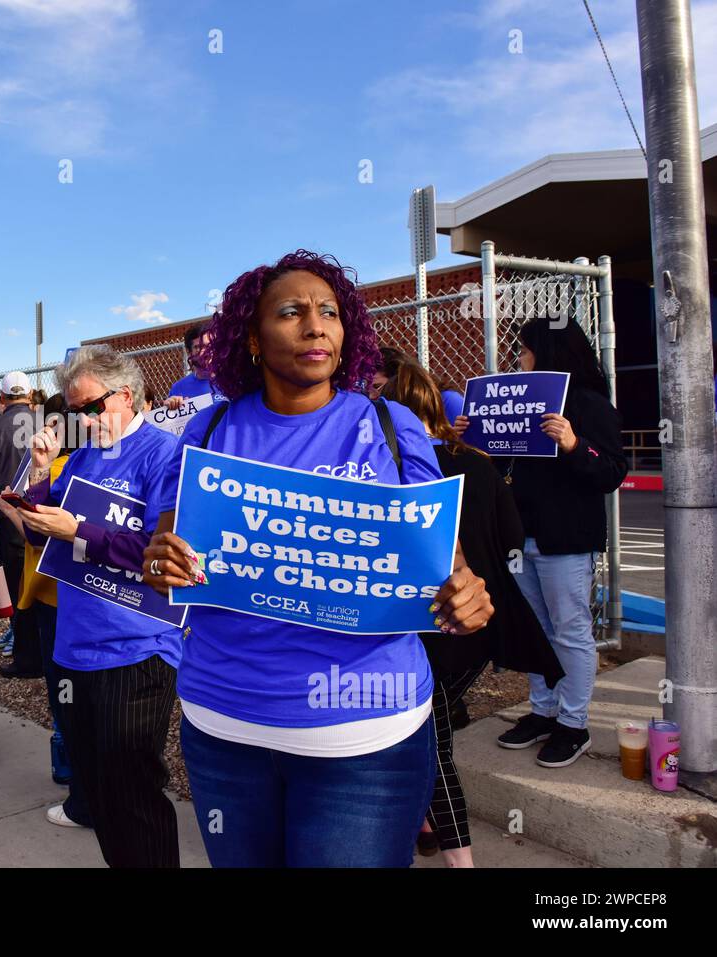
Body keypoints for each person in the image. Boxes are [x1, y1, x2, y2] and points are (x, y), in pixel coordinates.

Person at [141, 249, 493, 868]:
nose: (315, 326)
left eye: (329, 312)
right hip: (226, 729)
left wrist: (465, 595)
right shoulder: (206, 432)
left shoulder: (393, 424)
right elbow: (165, 559)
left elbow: (445, 564)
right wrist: (161, 563)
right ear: (252, 337)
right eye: (291, 312)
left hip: (366, 738)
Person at [381, 358, 563, 866]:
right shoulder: (478, 463)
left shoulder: (391, 472)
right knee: (430, 732)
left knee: (434, 745)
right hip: (483, 630)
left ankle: (457, 857)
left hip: (427, 631)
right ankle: (420, 822)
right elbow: (510, 537)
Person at [14, 346, 181, 866]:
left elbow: (168, 557)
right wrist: (38, 474)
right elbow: (43, 535)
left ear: (125, 396)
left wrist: (81, 530)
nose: (83, 421)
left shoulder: (164, 455)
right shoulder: (84, 458)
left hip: (137, 646)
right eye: (73, 412)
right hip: (76, 644)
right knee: (99, 789)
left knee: (132, 788)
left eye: (89, 408)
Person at [455, 319, 628, 768]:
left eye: (525, 350)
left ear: (549, 353)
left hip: (565, 540)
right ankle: (543, 711)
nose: (518, 358)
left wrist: (574, 443)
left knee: (570, 630)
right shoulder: (520, 405)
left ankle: (574, 723)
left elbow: (611, 471)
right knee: (537, 629)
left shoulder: (590, 405)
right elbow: (498, 471)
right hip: (519, 537)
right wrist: (468, 441)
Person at [0, 394, 92, 828]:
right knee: (72, 692)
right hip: (62, 596)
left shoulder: (66, 469)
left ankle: (76, 779)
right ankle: (75, 774)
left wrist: (20, 514)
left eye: (54, 422)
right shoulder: (62, 464)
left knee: (68, 692)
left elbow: (31, 532)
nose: (43, 430)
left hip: (64, 598)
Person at [0, 370, 43, 679]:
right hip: (46, 511)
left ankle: (26, 654)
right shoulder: (48, 422)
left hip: (10, 514)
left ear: (1, 398)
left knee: (19, 583)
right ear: (30, 396)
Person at [165, 321, 221, 408]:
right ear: (189, 352)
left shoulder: (232, 381)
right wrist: (170, 408)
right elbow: (172, 419)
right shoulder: (178, 389)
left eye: (208, 346)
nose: (204, 352)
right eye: (198, 347)